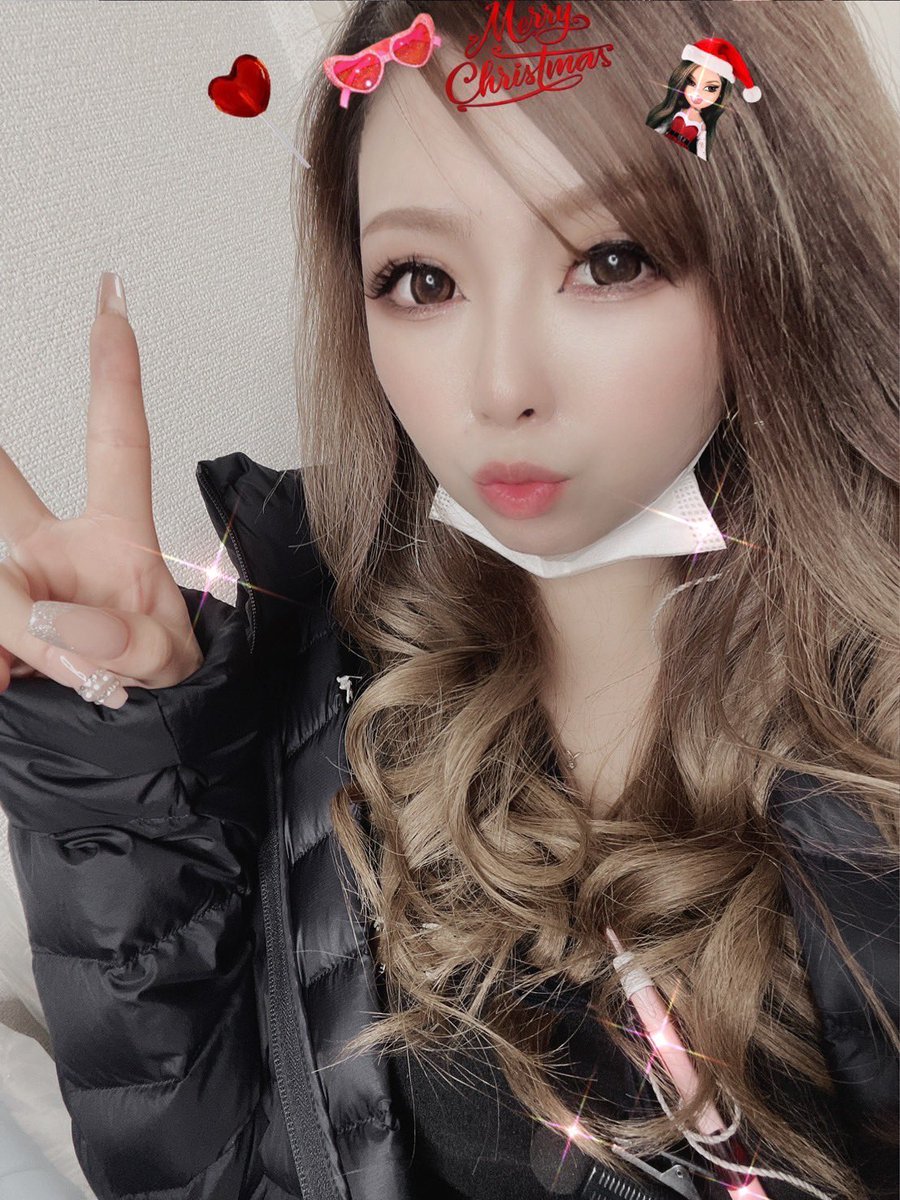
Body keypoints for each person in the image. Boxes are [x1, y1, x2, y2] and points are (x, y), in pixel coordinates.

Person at [0, 3, 897, 1199]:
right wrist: (122, 766)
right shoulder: (313, 697)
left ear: (777, 254)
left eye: (611, 260)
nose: (500, 384)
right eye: (422, 280)